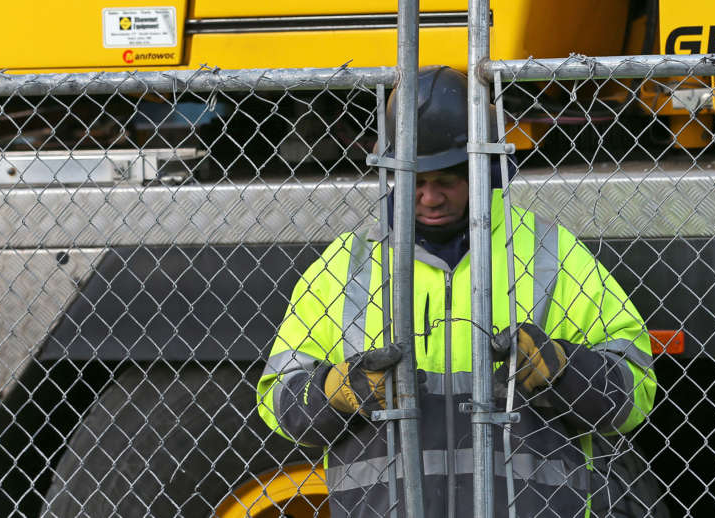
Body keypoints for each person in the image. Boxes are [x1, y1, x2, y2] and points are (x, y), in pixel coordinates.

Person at [257, 66, 656, 517]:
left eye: (446, 181)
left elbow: (636, 390)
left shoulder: (552, 253)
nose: (429, 197)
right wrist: (340, 389)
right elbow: (277, 403)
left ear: (482, 173)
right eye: (416, 181)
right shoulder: (345, 265)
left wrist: (563, 370)